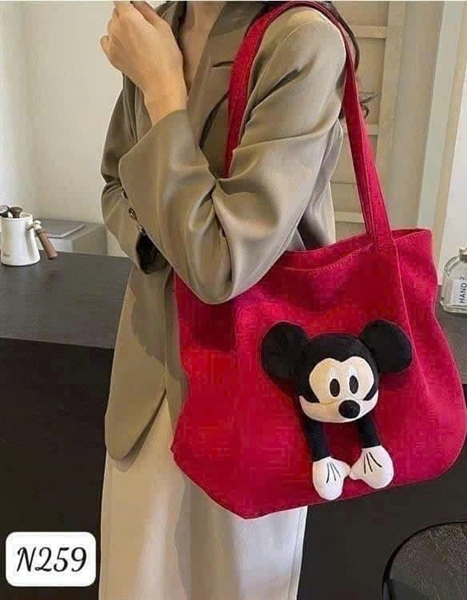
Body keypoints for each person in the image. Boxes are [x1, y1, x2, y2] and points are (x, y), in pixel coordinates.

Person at [98, 1, 366, 598]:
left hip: (253, 383)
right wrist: (159, 240)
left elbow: (221, 263)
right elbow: (116, 180)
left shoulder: (302, 39)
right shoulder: (162, 22)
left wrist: (163, 89)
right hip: (147, 376)